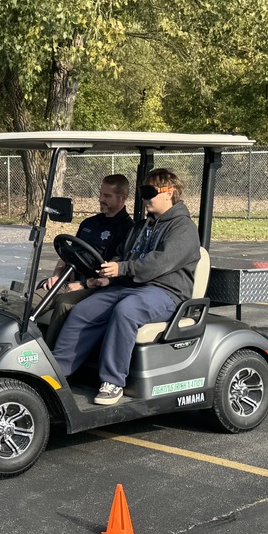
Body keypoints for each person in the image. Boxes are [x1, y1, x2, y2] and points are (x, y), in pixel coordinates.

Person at [51, 168, 201, 405]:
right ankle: (57, 373)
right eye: (142, 192)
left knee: (127, 311)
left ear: (169, 193)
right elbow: (123, 255)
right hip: (130, 287)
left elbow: (158, 263)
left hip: (165, 292)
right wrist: (111, 273)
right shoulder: (141, 227)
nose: (144, 197)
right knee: (84, 311)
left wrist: (122, 270)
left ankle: (113, 381)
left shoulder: (183, 228)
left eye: (149, 192)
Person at [36, 174, 132, 347]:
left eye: (107, 196)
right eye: (101, 194)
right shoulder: (89, 223)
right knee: (28, 300)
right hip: (67, 280)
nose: (100, 199)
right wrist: (57, 275)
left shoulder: (127, 230)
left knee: (64, 304)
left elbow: (112, 274)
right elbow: (67, 256)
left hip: (96, 287)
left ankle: (51, 359)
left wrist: (84, 285)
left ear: (122, 198)